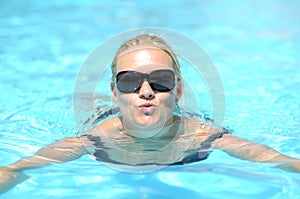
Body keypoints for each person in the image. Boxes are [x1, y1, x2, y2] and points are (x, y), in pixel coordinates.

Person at [0, 34, 299, 194]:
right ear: (116, 92)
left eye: (161, 81)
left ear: (178, 91)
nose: (146, 92)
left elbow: (279, 160)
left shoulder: (202, 135)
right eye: (130, 81)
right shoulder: (94, 140)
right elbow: (18, 169)